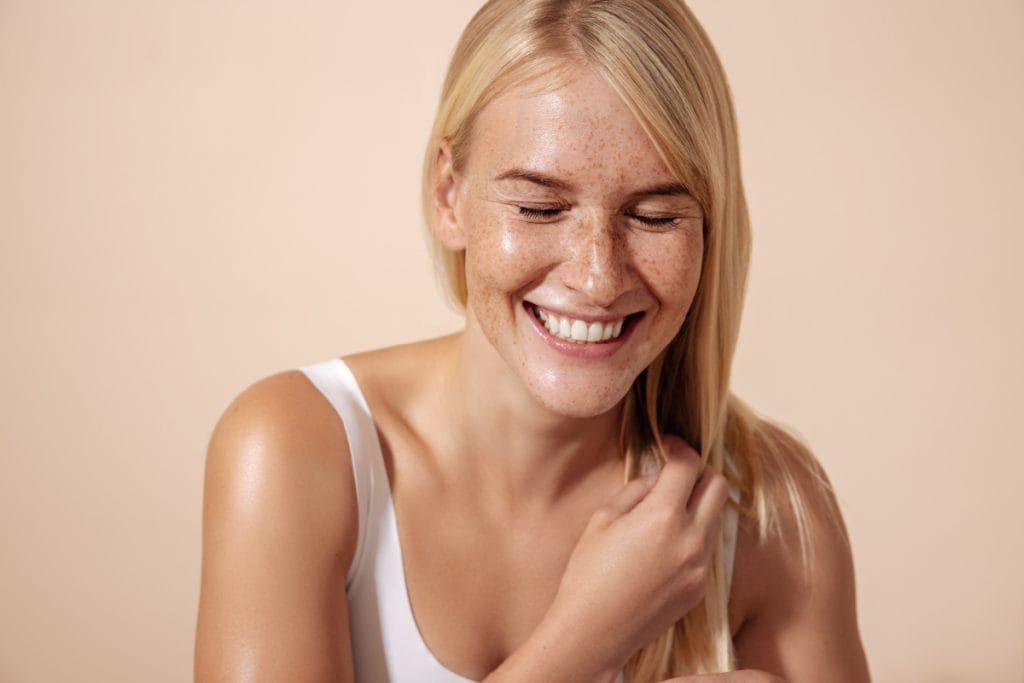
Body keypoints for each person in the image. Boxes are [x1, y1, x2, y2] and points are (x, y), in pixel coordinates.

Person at [194, 0, 871, 681]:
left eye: (655, 215)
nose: (599, 277)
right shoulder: (291, 449)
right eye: (540, 207)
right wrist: (587, 632)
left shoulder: (772, 508)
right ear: (448, 195)